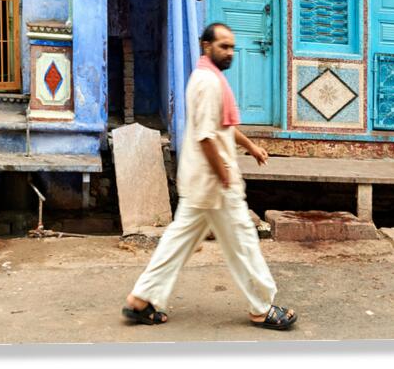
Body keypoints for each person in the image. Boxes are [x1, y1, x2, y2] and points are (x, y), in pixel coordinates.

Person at [122, 22, 297, 330]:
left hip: (202, 183)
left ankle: (141, 299)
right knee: (242, 242)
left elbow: (223, 128)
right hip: (214, 182)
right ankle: (261, 307)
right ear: (206, 46)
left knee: (178, 242)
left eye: (231, 47)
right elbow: (206, 137)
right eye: (223, 46)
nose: (229, 52)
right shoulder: (208, 82)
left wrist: (252, 147)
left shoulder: (208, 78)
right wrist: (224, 176)